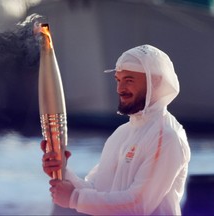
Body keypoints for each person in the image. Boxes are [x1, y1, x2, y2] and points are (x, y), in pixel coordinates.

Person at [41, 44, 191, 215]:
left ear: (155, 81)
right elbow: (98, 190)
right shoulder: (122, 133)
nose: (120, 89)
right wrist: (62, 171)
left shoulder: (166, 137)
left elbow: (138, 205)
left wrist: (74, 198)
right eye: (118, 80)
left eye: (129, 80)